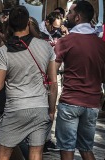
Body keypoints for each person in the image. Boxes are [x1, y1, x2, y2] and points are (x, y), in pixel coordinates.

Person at [0, 5, 57, 160]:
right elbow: (53, 83)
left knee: (2, 154)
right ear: (28, 22)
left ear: (9, 25)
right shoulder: (45, 46)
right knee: (35, 154)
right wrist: (52, 111)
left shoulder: (4, 51)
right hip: (40, 108)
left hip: (16, 108)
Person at [54, 1, 105, 160]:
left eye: (69, 12)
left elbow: (52, 73)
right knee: (86, 149)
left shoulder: (65, 41)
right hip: (92, 103)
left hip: (70, 101)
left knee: (67, 149)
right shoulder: (100, 44)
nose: (66, 16)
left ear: (77, 17)